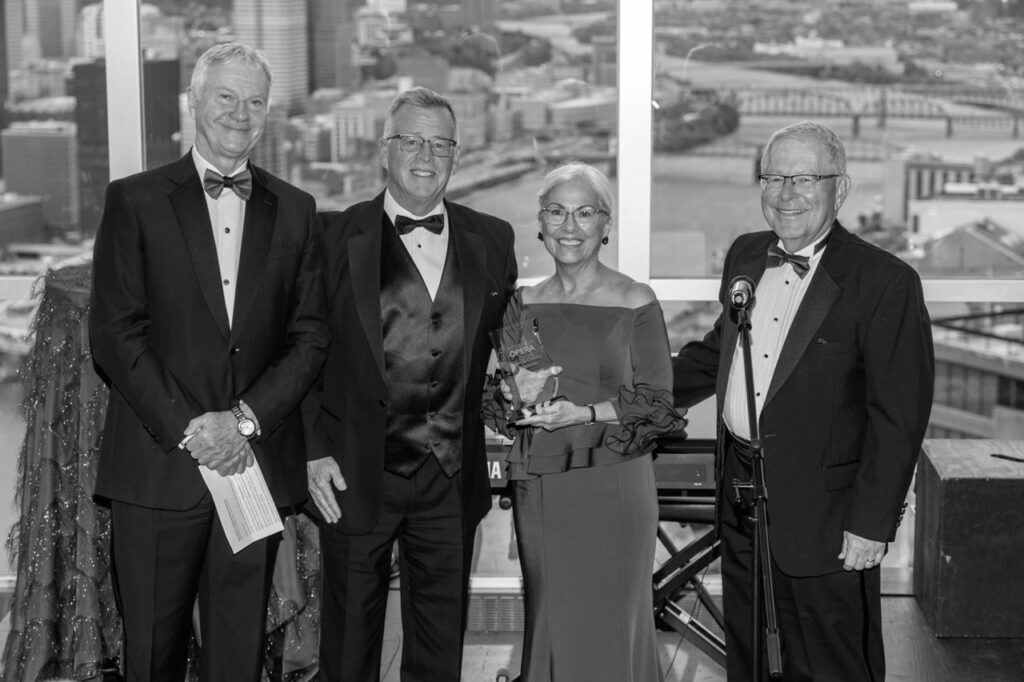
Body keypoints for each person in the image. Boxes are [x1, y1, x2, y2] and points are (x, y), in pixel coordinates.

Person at [89, 43, 328, 681]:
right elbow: (114, 334)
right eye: (226, 96)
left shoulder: (299, 211)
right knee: (151, 658)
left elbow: (309, 340)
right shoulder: (134, 200)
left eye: (254, 102)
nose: (240, 114)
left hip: (252, 468)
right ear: (194, 100)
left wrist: (243, 423)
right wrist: (199, 429)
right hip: (159, 466)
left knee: (238, 657)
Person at [673, 121, 934, 681]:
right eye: (773, 176)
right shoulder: (745, 254)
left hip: (827, 519)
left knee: (830, 663)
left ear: (839, 188)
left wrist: (872, 524)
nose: (786, 192)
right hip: (742, 499)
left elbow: (900, 417)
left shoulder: (886, 281)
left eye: (804, 177)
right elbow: (718, 353)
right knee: (750, 658)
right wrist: (619, 393)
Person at [304, 86, 517, 681]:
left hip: (450, 478)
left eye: (440, 143)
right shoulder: (330, 236)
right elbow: (303, 352)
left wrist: (535, 387)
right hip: (352, 472)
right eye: (412, 140)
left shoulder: (494, 238)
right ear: (385, 150)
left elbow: (514, 342)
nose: (426, 155)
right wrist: (312, 450)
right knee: (347, 651)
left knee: (439, 649)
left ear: (456, 154)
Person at [489, 161, 686, 682]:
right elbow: (505, 405)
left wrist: (587, 412)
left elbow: (657, 403)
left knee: (615, 624)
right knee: (551, 618)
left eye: (584, 213)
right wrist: (514, 393)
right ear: (540, 222)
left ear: (605, 225)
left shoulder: (635, 300)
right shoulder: (521, 304)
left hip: (615, 484)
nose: (569, 226)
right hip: (543, 489)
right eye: (557, 211)